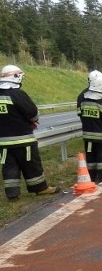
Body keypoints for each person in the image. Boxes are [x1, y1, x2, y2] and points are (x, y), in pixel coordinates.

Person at [0, 65, 60, 200]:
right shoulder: (17, 94)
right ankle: (40, 188)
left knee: (9, 166)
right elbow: (32, 113)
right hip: (23, 139)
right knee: (31, 164)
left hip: (3, 142)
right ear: (16, 77)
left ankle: (12, 194)